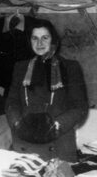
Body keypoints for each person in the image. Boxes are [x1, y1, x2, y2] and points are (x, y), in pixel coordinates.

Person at [5, 18, 88, 162]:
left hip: (58, 142)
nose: (39, 43)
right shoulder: (21, 67)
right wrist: (17, 123)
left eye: (45, 38)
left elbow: (80, 107)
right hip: (25, 140)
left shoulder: (70, 67)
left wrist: (57, 126)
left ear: (53, 40)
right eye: (34, 38)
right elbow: (12, 101)